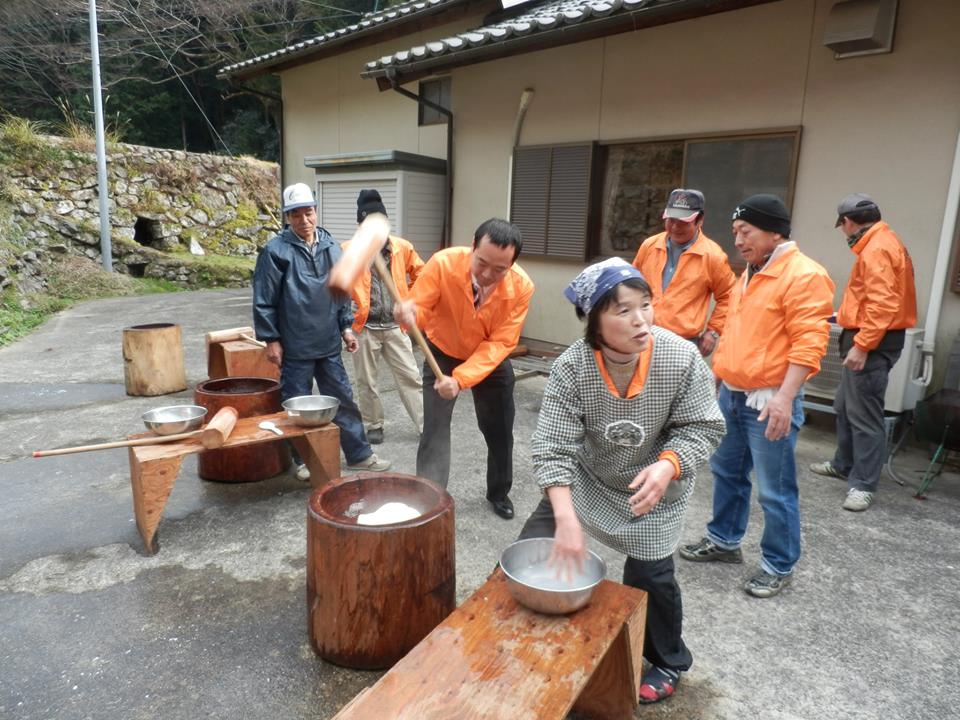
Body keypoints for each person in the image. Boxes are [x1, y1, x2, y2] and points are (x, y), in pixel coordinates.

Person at [517, 257, 725, 703]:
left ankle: (668, 659)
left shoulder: (680, 356)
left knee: (651, 575)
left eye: (646, 305)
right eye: (623, 309)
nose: (640, 319)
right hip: (592, 477)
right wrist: (567, 520)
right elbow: (553, 448)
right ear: (594, 320)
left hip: (653, 486)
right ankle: (516, 630)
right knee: (529, 549)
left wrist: (670, 464)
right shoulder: (572, 366)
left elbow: (704, 426)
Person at [680, 194, 834, 598]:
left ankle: (778, 563)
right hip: (732, 393)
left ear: (773, 231)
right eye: (735, 233)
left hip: (769, 399)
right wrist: (718, 375)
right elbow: (736, 329)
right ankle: (725, 540)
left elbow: (810, 341)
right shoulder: (751, 271)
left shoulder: (804, 275)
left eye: (745, 231)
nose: (739, 241)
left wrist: (785, 398)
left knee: (774, 488)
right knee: (726, 472)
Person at [394, 218, 534, 520]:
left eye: (500, 269)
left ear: (512, 265)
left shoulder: (522, 287)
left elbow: (500, 343)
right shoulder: (443, 264)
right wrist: (408, 312)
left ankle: (499, 492)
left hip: (488, 360)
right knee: (434, 428)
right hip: (443, 350)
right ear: (473, 246)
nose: (487, 275)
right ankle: (429, 497)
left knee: (498, 429)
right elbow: (420, 307)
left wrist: (460, 379)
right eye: (482, 263)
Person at [253, 182, 390, 478]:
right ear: (288, 217)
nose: (304, 220)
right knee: (298, 405)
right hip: (295, 345)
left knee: (343, 400)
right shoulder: (275, 252)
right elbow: (264, 299)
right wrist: (271, 339)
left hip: (328, 342)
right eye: (296, 215)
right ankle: (303, 461)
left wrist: (346, 328)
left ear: (316, 211)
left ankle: (359, 454)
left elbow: (341, 294)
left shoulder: (330, 246)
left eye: (309, 212)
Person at [809, 194, 917, 511]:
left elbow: (884, 304)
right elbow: (870, 298)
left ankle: (863, 484)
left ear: (848, 222)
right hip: (868, 334)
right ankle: (844, 464)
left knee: (866, 415)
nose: (843, 231)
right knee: (845, 405)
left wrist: (862, 345)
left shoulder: (877, 248)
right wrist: (841, 318)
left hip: (872, 342)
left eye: (841, 225)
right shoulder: (881, 241)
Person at [343, 189, 425, 444]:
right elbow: (340, 290)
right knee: (366, 381)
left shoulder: (403, 248)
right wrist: (347, 320)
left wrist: (411, 300)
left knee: (410, 377)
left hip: (395, 326)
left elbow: (423, 275)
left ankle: (426, 426)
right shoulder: (348, 250)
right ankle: (373, 424)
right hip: (364, 326)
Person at [631, 188, 736, 356]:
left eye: (683, 221)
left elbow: (729, 295)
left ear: (700, 220)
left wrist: (713, 331)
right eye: (671, 220)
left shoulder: (713, 256)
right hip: (642, 333)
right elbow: (632, 284)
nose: (675, 227)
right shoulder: (649, 245)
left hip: (683, 341)